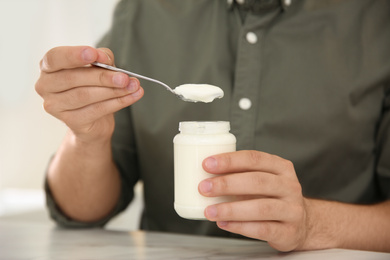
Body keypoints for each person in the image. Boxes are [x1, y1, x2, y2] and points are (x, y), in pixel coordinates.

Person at [35, 0, 390, 253]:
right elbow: (81, 213)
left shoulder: (376, 21)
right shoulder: (145, 11)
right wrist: (86, 138)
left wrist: (313, 223)